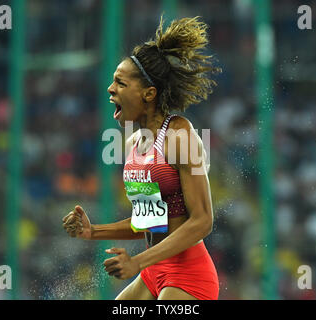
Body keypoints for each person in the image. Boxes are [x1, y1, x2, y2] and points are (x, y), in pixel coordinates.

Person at [63, 16, 221, 300]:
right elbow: (150, 221)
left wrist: (138, 261)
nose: (110, 90)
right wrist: (93, 231)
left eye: (120, 84)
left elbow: (203, 221)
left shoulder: (179, 135)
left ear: (149, 93)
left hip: (188, 277)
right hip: (152, 273)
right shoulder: (134, 144)